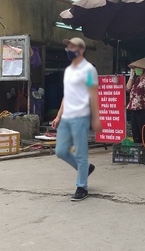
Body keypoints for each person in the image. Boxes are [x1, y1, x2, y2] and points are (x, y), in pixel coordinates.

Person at [52, 37, 102, 201]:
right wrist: (59, 115)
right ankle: (86, 169)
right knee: (60, 151)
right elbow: (66, 96)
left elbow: (93, 95)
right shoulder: (69, 71)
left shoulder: (89, 70)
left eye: (71, 47)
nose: (68, 50)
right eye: (67, 47)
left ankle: (82, 187)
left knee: (80, 152)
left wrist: (95, 118)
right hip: (66, 117)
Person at [126, 58, 145, 144]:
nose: (136, 70)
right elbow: (127, 89)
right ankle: (138, 153)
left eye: (137, 68)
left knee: (143, 133)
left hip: (142, 109)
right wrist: (131, 77)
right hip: (133, 109)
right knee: (135, 133)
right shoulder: (136, 80)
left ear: (144, 69)